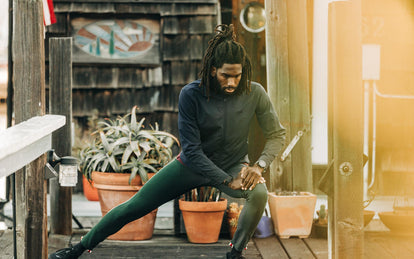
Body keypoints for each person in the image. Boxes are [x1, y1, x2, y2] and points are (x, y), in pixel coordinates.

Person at [49, 24, 285, 259]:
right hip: (191, 167)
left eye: (237, 75)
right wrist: (225, 179)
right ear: (213, 70)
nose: (232, 82)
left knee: (259, 193)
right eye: (226, 75)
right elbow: (192, 151)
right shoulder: (191, 94)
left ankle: (234, 254)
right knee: (134, 207)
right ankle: (78, 249)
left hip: (233, 165)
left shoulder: (255, 93)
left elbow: (276, 134)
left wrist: (259, 165)